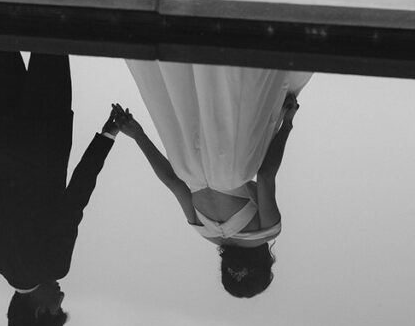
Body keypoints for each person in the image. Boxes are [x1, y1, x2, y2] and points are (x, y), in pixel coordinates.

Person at [117, 60, 311, 298]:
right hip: (186, 164)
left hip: (230, 166)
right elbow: (172, 181)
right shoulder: (204, 232)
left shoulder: (267, 231)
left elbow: (266, 175)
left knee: (231, 88)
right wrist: (138, 135)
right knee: (188, 88)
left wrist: (287, 124)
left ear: (264, 265)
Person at [0, 50, 120, 326]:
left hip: (46, 132)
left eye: (58, 309)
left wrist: (107, 137)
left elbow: (75, 200)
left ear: (40, 311)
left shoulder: (54, 265)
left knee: (50, 41)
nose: (62, 298)